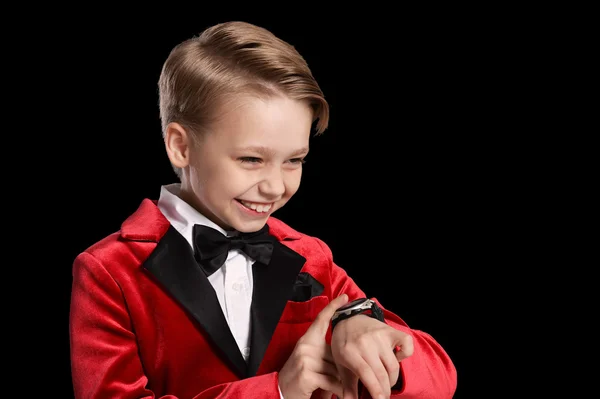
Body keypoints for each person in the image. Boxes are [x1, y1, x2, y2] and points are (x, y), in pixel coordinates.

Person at [69, 21, 457, 399]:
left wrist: (358, 323)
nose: (276, 186)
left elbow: (439, 380)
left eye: (294, 160)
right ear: (180, 146)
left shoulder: (311, 257)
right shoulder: (108, 271)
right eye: (252, 159)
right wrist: (278, 391)